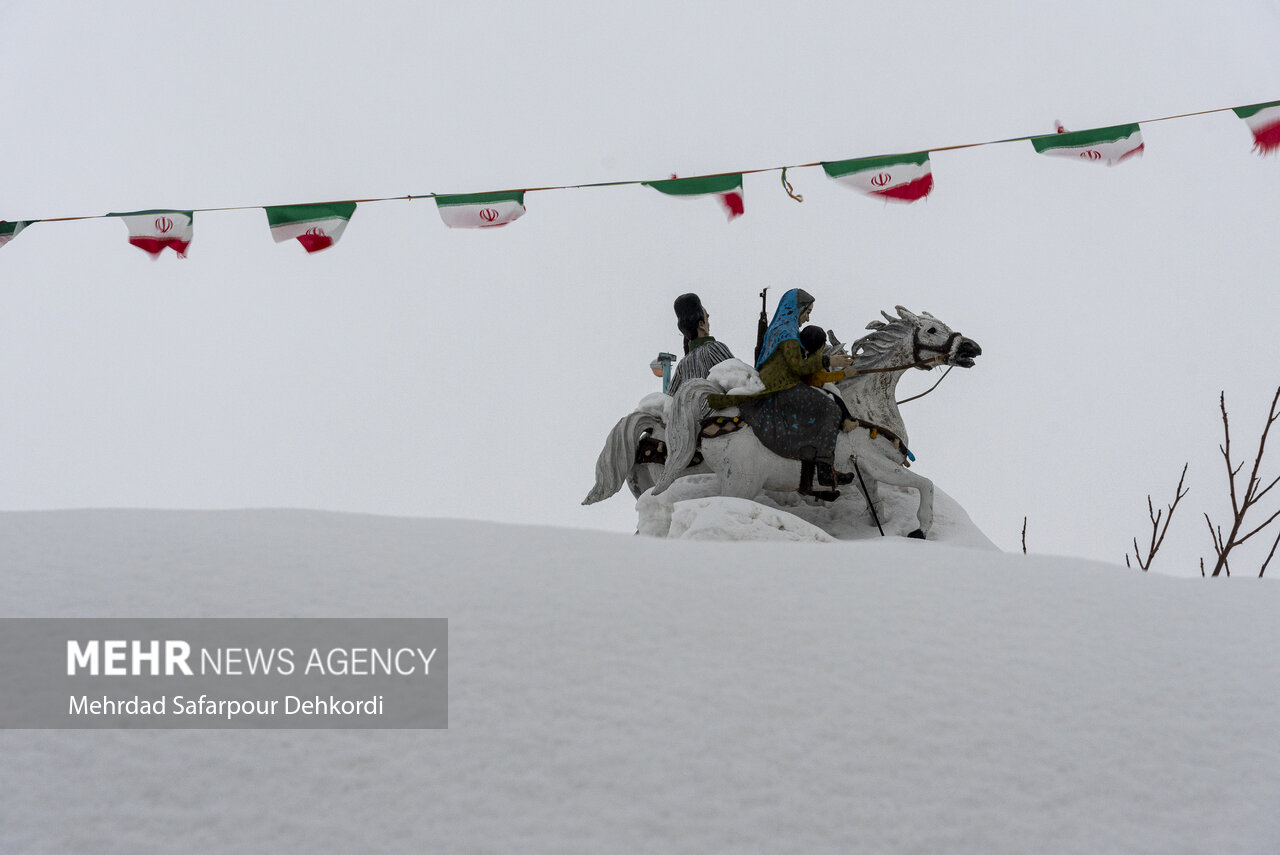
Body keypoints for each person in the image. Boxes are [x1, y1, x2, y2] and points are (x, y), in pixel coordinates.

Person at [707, 289, 855, 500]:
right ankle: (824, 466)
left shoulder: (784, 329)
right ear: (797, 309)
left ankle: (808, 477)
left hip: (785, 384)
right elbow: (798, 367)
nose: (808, 317)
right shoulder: (787, 333)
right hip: (783, 387)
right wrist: (829, 361)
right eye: (807, 311)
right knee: (831, 408)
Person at [667, 293, 735, 395]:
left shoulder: (682, 365)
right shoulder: (714, 348)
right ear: (701, 324)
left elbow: (669, 398)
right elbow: (738, 378)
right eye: (707, 317)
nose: (709, 323)